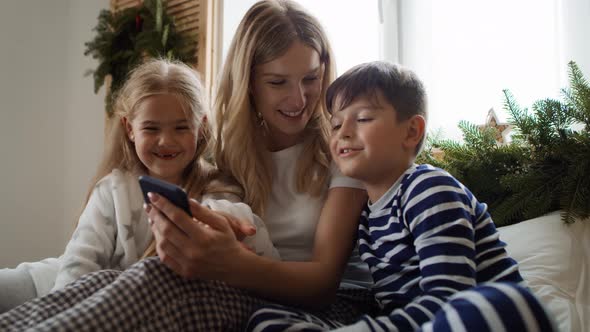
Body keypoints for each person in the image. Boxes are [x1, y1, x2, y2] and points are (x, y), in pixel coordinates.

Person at [0, 1, 373, 331]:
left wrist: (229, 263)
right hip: (224, 276)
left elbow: (323, 284)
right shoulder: (228, 147)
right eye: (278, 82)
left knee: (147, 278)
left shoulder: (341, 149)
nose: (299, 98)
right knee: (70, 279)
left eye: (311, 78)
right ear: (250, 83)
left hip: (280, 295)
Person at [247, 61, 556, 331]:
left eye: (364, 118)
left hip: (478, 320)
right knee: (267, 320)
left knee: (501, 305)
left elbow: (447, 299)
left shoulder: (429, 189)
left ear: (411, 132)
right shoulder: (368, 219)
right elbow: (393, 307)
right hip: (419, 323)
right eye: (336, 123)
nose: (343, 132)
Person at [0, 58, 278, 313]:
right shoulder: (113, 190)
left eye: (181, 128)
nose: (166, 141)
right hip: (87, 298)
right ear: (130, 129)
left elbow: (265, 261)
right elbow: (77, 266)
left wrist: (229, 229)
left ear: (200, 127)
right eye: (151, 129)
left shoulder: (218, 190)